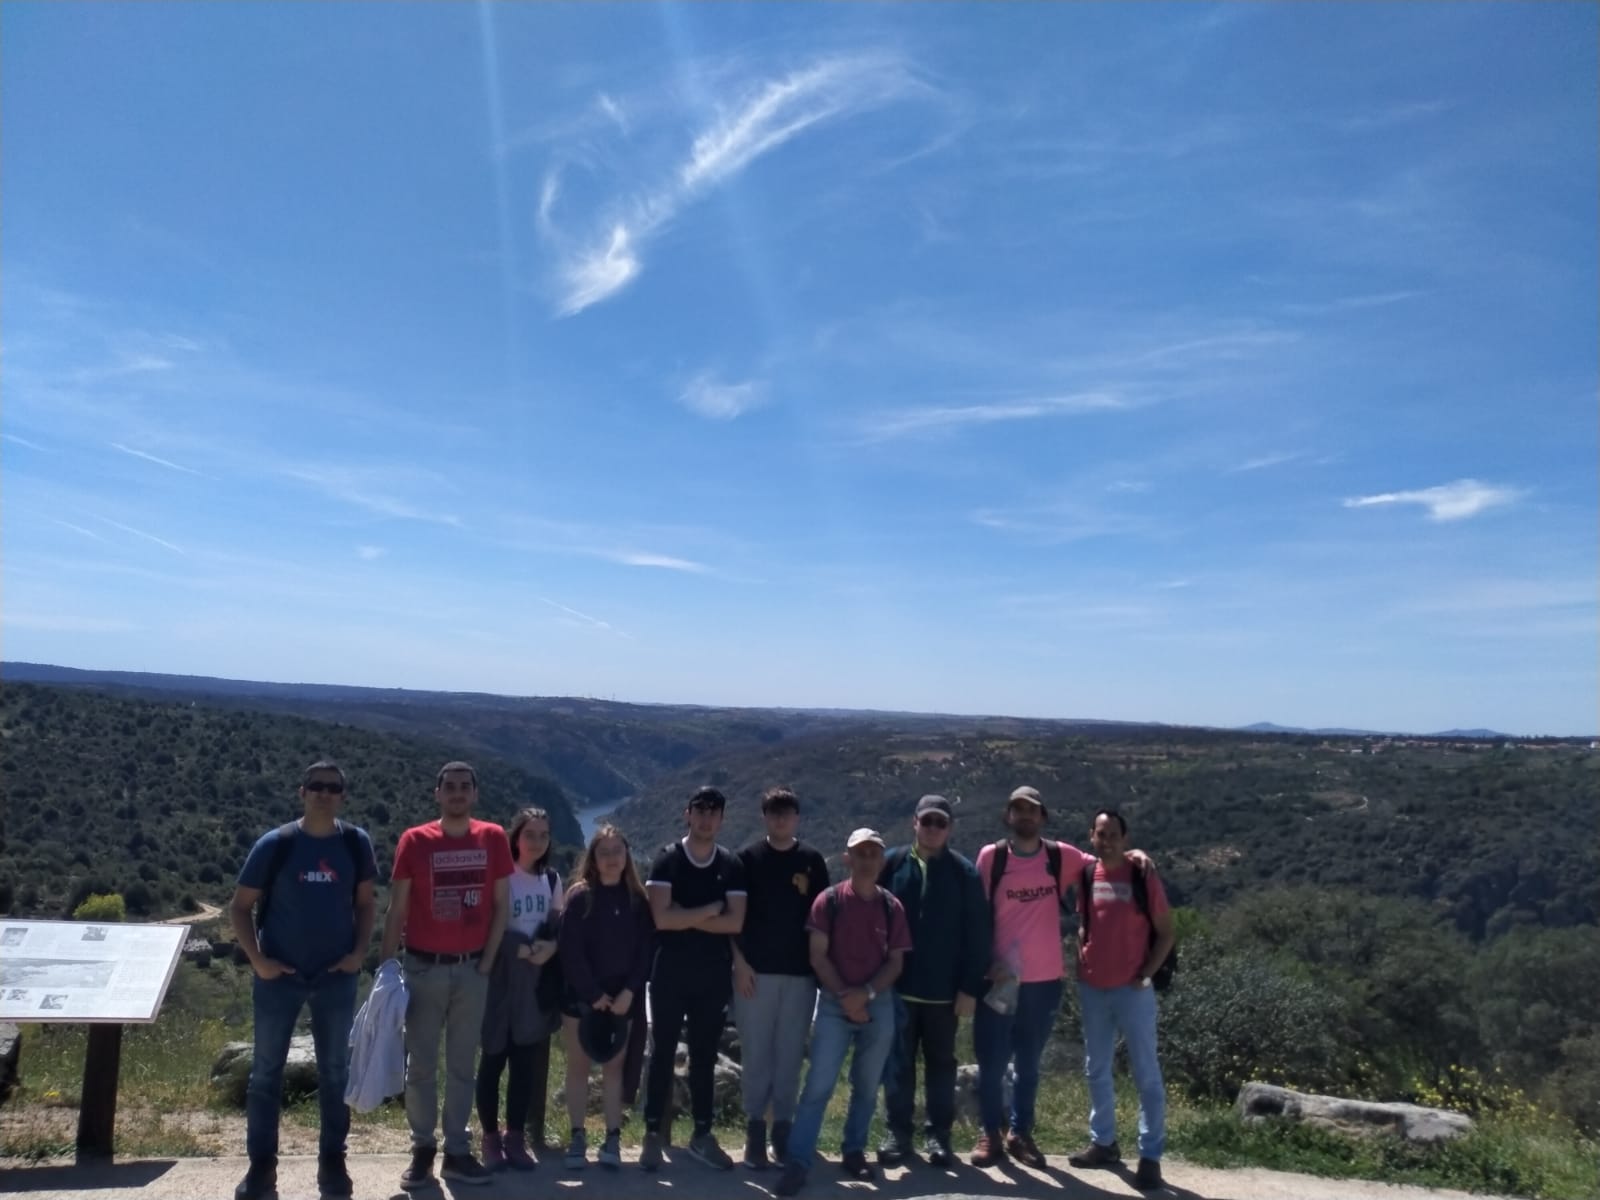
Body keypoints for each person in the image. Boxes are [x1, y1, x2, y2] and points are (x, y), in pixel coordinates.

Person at [970, 785, 1155, 1169]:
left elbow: (1105, 861)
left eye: (1031, 811)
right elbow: (975, 915)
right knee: (991, 1061)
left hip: (1044, 979)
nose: (1024, 816)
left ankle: (1019, 1133)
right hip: (1000, 978)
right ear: (1008, 815)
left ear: (1043, 817)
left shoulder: (1060, 856)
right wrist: (982, 963)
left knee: (1029, 1065)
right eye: (1018, 810)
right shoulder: (992, 858)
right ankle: (989, 1133)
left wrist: (1135, 855)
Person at [230, 761, 377, 1200]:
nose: (324, 793)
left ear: (342, 796)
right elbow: (240, 907)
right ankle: (261, 1169)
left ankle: (333, 1165)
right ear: (302, 792)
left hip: (335, 977)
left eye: (333, 787)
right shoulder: (276, 844)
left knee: (336, 1073)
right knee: (265, 1074)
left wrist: (356, 955)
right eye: (316, 786)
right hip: (280, 976)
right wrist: (258, 961)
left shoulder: (354, 843)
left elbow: (366, 904)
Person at [380, 761, 513, 1189]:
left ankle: (457, 1151)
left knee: (461, 1066)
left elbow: (501, 907)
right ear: (437, 793)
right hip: (423, 968)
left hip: (473, 969)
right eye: (449, 787)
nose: (457, 794)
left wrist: (488, 963)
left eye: (464, 787)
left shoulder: (492, 837)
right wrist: (386, 970)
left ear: (475, 794)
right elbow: (397, 909)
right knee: (419, 1066)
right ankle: (422, 1149)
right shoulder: (415, 840)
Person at [774, 828, 911, 1197]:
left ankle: (853, 1151)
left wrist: (864, 994)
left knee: (867, 1085)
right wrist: (845, 997)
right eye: (860, 853)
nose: (867, 859)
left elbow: (895, 962)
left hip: (876, 1001)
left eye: (873, 853)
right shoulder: (829, 901)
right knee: (818, 1084)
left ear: (881, 860)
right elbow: (817, 955)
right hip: (835, 1004)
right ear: (847, 858)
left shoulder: (890, 906)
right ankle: (799, 1161)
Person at [877, 794, 990, 1168]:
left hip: (945, 994)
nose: (933, 829)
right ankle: (898, 1133)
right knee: (898, 1065)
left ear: (950, 828)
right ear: (914, 823)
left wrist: (970, 988)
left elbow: (978, 935)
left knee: (941, 1065)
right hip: (897, 988)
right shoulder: (891, 864)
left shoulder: (964, 872)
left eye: (940, 823)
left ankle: (938, 1136)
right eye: (927, 821)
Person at [640, 785, 748, 1171]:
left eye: (714, 811)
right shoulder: (668, 859)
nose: (706, 818)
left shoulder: (731, 864)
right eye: (700, 810)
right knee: (662, 1053)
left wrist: (686, 915)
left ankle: (703, 1134)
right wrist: (710, 911)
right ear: (687, 814)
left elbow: (734, 921)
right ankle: (653, 1134)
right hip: (669, 973)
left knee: (703, 1056)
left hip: (712, 978)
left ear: (722, 819)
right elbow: (660, 918)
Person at [1068, 809, 1175, 1191]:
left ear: (1125, 838)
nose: (1107, 839)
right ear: (1091, 837)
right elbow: (1086, 919)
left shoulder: (1142, 875)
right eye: (1101, 833)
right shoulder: (1086, 874)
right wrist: (1081, 945)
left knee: (1146, 1073)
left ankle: (1150, 1155)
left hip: (1133, 990)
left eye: (1113, 833)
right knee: (1095, 1068)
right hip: (1093, 987)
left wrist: (1146, 974)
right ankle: (1104, 1143)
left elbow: (1166, 933)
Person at [731, 788, 831, 1170]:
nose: (780, 819)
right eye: (773, 812)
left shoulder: (812, 861)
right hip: (755, 974)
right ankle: (755, 1129)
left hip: (801, 976)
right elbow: (733, 918)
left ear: (797, 817)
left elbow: (823, 919)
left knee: (790, 1057)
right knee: (756, 1055)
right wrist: (738, 964)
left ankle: (782, 1130)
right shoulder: (747, 859)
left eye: (787, 812)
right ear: (764, 817)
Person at [557, 824, 655, 1171]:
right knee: (580, 1068)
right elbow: (570, 952)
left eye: (618, 852)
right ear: (593, 859)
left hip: (623, 1000)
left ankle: (612, 1138)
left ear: (627, 856)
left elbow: (645, 951)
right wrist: (594, 994)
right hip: (582, 1000)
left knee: (614, 1070)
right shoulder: (580, 897)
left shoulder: (637, 900)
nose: (612, 859)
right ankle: (578, 1137)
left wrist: (629, 992)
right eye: (604, 853)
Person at [475, 808, 562, 1171]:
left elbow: (556, 924)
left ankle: (515, 1137)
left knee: (525, 1065)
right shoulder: (501, 875)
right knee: (493, 1061)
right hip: (499, 981)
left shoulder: (552, 879)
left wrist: (551, 947)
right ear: (516, 837)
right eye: (531, 834)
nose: (537, 842)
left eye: (543, 835)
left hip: (534, 984)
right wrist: (516, 946)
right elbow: (484, 925)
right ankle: (490, 1138)